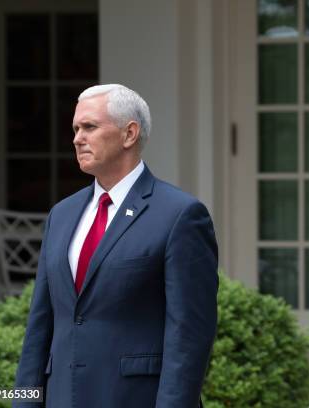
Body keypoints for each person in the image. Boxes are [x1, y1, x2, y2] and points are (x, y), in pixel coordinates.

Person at [13, 84, 218, 408]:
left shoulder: (180, 215)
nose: (77, 138)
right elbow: (40, 327)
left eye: (90, 127)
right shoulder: (61, 215)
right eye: (76, 128)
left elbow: (189, 336)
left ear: (129, 134)